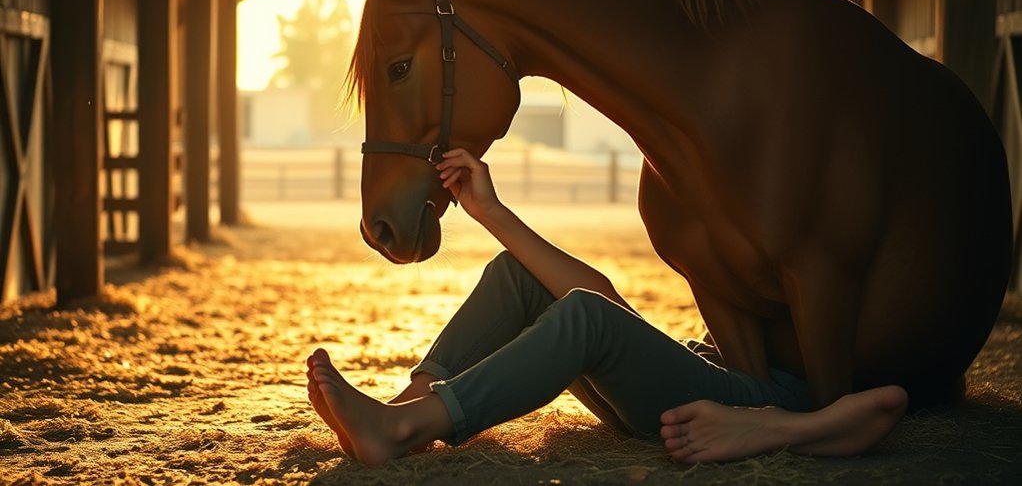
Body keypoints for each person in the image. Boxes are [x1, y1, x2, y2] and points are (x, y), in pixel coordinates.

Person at [306, 148, 908, 467]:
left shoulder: (835, 261)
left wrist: (761, 428)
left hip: (745, 402)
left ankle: (404, 429)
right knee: (523, 276)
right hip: (707, 376)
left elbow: (888, 403)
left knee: (587, 318)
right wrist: (490, 212)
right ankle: (406, 411)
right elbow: (603, 298)